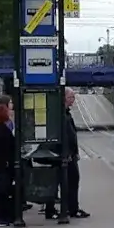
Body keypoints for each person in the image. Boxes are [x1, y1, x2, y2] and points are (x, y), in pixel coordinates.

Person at [44, 88, 88, 220]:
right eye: (71, 97)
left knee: (71, 181)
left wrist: (75, 152)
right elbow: (62, 136)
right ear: (64, 98)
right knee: (61, 182)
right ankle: (61, 209)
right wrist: (67, 153)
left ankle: (70, 208)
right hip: (62, 155)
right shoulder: (59, 114)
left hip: (69, 154)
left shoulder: (65, 113)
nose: (73, 101)